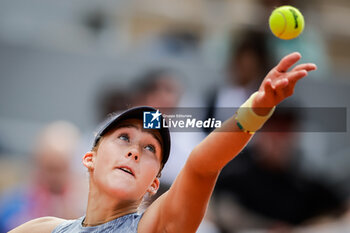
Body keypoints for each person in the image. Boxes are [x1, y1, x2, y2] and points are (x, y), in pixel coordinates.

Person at [9, 52, 316, 233]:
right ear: (90, 158)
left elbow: (201, 166)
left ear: (154, 184)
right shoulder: (42, 229)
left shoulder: (154, 228)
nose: (134, 150)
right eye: (124, 137)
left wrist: (255, 111)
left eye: (149, 149)